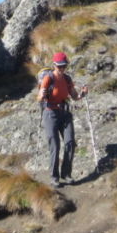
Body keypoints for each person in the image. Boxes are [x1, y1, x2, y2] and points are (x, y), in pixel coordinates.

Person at [37, 52, 88, 188]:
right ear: (54, 65)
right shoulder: (48, 79)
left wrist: (82, 94)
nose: (61, 69)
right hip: (50, 114)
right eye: (59, 66)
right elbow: (39, 98)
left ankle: (66, 174)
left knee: (70, 142)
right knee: (55, 145)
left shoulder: (67, 78)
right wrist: (42, 95)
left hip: (64, 113)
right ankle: (54, 177)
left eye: (64, 66)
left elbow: (74, 96)